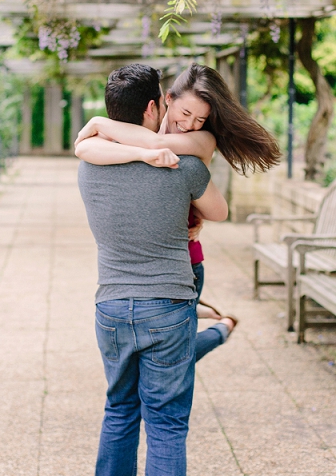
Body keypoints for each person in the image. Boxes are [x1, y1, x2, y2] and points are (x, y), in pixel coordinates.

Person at [77, 64, 229, 475]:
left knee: (120, 411)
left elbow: (87, 144)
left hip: (110, 308)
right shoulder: (183, 165)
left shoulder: (89, 166)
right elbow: (219, 211)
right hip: (167, 305)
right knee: (165, 423)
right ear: (154, 105)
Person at [75, 63, 281, 360]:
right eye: (185, 114)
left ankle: (219, 328)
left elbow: (158, 145)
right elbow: (84, 151)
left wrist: (100, 124)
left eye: (200, 119)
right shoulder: (140, 134)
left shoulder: (203, 139)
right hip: (149, 268)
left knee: (177, 357)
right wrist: (140, 152)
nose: (189, 124)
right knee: (170, 353)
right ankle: (205, 319)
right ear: (166, 100)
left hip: (183, 264)